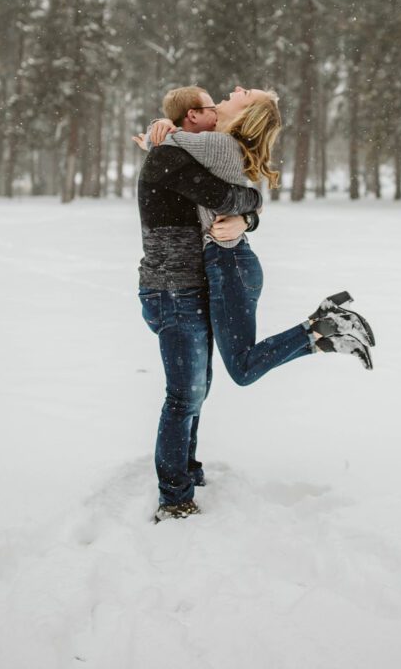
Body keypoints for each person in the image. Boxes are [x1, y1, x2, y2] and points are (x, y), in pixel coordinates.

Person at [143, 85, 375, 391]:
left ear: (245, 113)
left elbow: (164, 146)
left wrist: (156, 131)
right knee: (242, 364)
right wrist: (250, 216)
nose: (237, 88)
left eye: (246, 93)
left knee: (243, 368)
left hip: (229, 265)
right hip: (232, 263)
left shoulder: (219, 144)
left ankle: (325, 323)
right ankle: (324, 340)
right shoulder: (216, 145)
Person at [136, 85, 263, 523]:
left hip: (191, 287)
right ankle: (174, 498)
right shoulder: (168, 156)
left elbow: (229, 197)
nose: (216, 113)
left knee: (197, 389)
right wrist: (252, 204)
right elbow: (227, 198)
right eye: (210, 109)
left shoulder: (184, 150)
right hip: (171, 290)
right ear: (193, 116)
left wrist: (250, 214)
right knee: (184, 395)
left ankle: (186, 469)